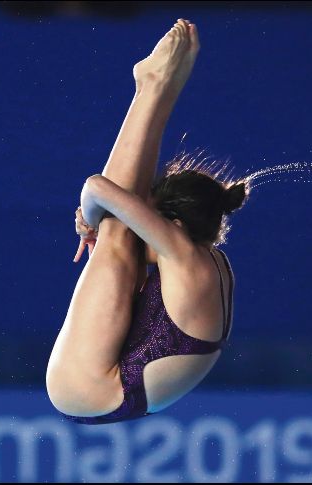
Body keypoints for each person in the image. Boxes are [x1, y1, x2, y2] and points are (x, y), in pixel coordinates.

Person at [46, 19, 250, 424]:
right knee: (120, 222)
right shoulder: (198, 257)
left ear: (174, 223)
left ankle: (155, 89)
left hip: (90, 389)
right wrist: (95, 219)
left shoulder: (187, 256)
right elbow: (108, 194)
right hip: (119, 389)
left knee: (117, 227)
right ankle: (155, 88)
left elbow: (99, 189)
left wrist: (90, 223)